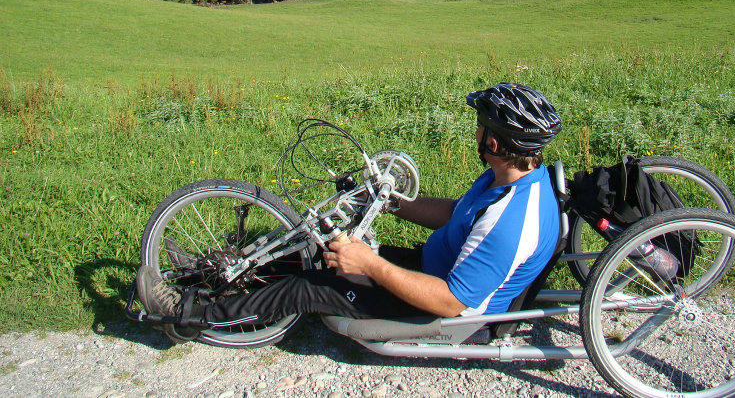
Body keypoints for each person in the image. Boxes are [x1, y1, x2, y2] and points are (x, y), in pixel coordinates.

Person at [136, 82, 563, 342]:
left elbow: (452, 303)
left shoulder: (511, 221)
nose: (476, 129)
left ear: (493, 142)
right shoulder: (511, 179)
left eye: (481, 125)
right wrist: (393, 202)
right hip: (434, 269)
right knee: (323, 250)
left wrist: (371, 266)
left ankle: (186, 314)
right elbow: (457, 213)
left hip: (437, 311)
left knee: (306, 287)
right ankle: (202, 277)